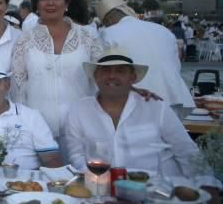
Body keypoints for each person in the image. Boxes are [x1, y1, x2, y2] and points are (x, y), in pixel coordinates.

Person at [65, 47, 198, 175]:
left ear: (132, 78)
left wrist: (206, 184)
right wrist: (99, 180)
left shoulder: (156, 108)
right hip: (103, 189)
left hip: (158, 190)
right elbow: (77, 155)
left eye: (120, 71)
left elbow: (187, 151)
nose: (112, 76)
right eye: (105, 70)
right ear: (96, 76)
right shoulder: (78, 110)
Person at [11, 0, 103, 146]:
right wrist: (22, 127)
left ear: (67, 3)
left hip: (83, 130)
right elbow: (18, 89)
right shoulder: (24, 41)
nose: (50, 3)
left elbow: (103, 78)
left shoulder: (87, 37)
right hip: (37, 132)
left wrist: (133, 90)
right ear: (36, 4)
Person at [96, 0, 195, 108]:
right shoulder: (163, 30)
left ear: (109, 19)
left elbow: (105, 71)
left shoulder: (108, 34)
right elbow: (176, 66)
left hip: (141, 99)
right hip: (177, 98)